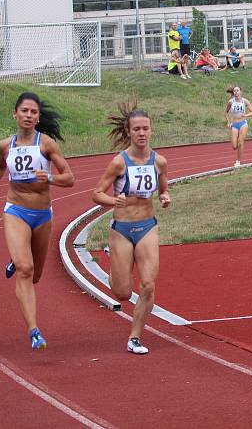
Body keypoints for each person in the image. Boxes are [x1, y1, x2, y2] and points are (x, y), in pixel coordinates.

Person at [0, 92, 75, 350]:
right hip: (16, 211)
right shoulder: (6, 145)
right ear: (15, 113)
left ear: (38, 117)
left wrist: (50, 179)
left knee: (36, 276)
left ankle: (17, 257)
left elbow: (70, 177)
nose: (29, 116)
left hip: (42, 214)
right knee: (25, 269)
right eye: (24, 111)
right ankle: (34, 331)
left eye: (33, 112)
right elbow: (0, 165)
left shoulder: (46, 144)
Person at [91, 102, 170, 355]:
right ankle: (114, 269)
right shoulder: (119, 163)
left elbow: (163, 188)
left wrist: (166, 197)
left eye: (145, 128)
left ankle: (134, 337)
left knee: (148, 285)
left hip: (147, 226)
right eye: (136, 129)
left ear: (151, 130)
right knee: (123, 293)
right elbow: (96, 193)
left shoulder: (159, 161)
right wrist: (114, 200)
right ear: (128, 132)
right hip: (121, 228)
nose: (142, 133)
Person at [224, 86, 252, 168]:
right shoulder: (231, 102)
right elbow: (225, 113)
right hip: (234, 125)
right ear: (233, 93)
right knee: (234, 146)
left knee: (240, 142)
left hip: (243, 124)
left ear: (241, 92)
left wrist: (245, 115)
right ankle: (239, 148)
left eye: (237, 90)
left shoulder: (245, 101)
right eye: (234, 91)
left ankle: (238, 161)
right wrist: (228, 122)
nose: (236, 92)